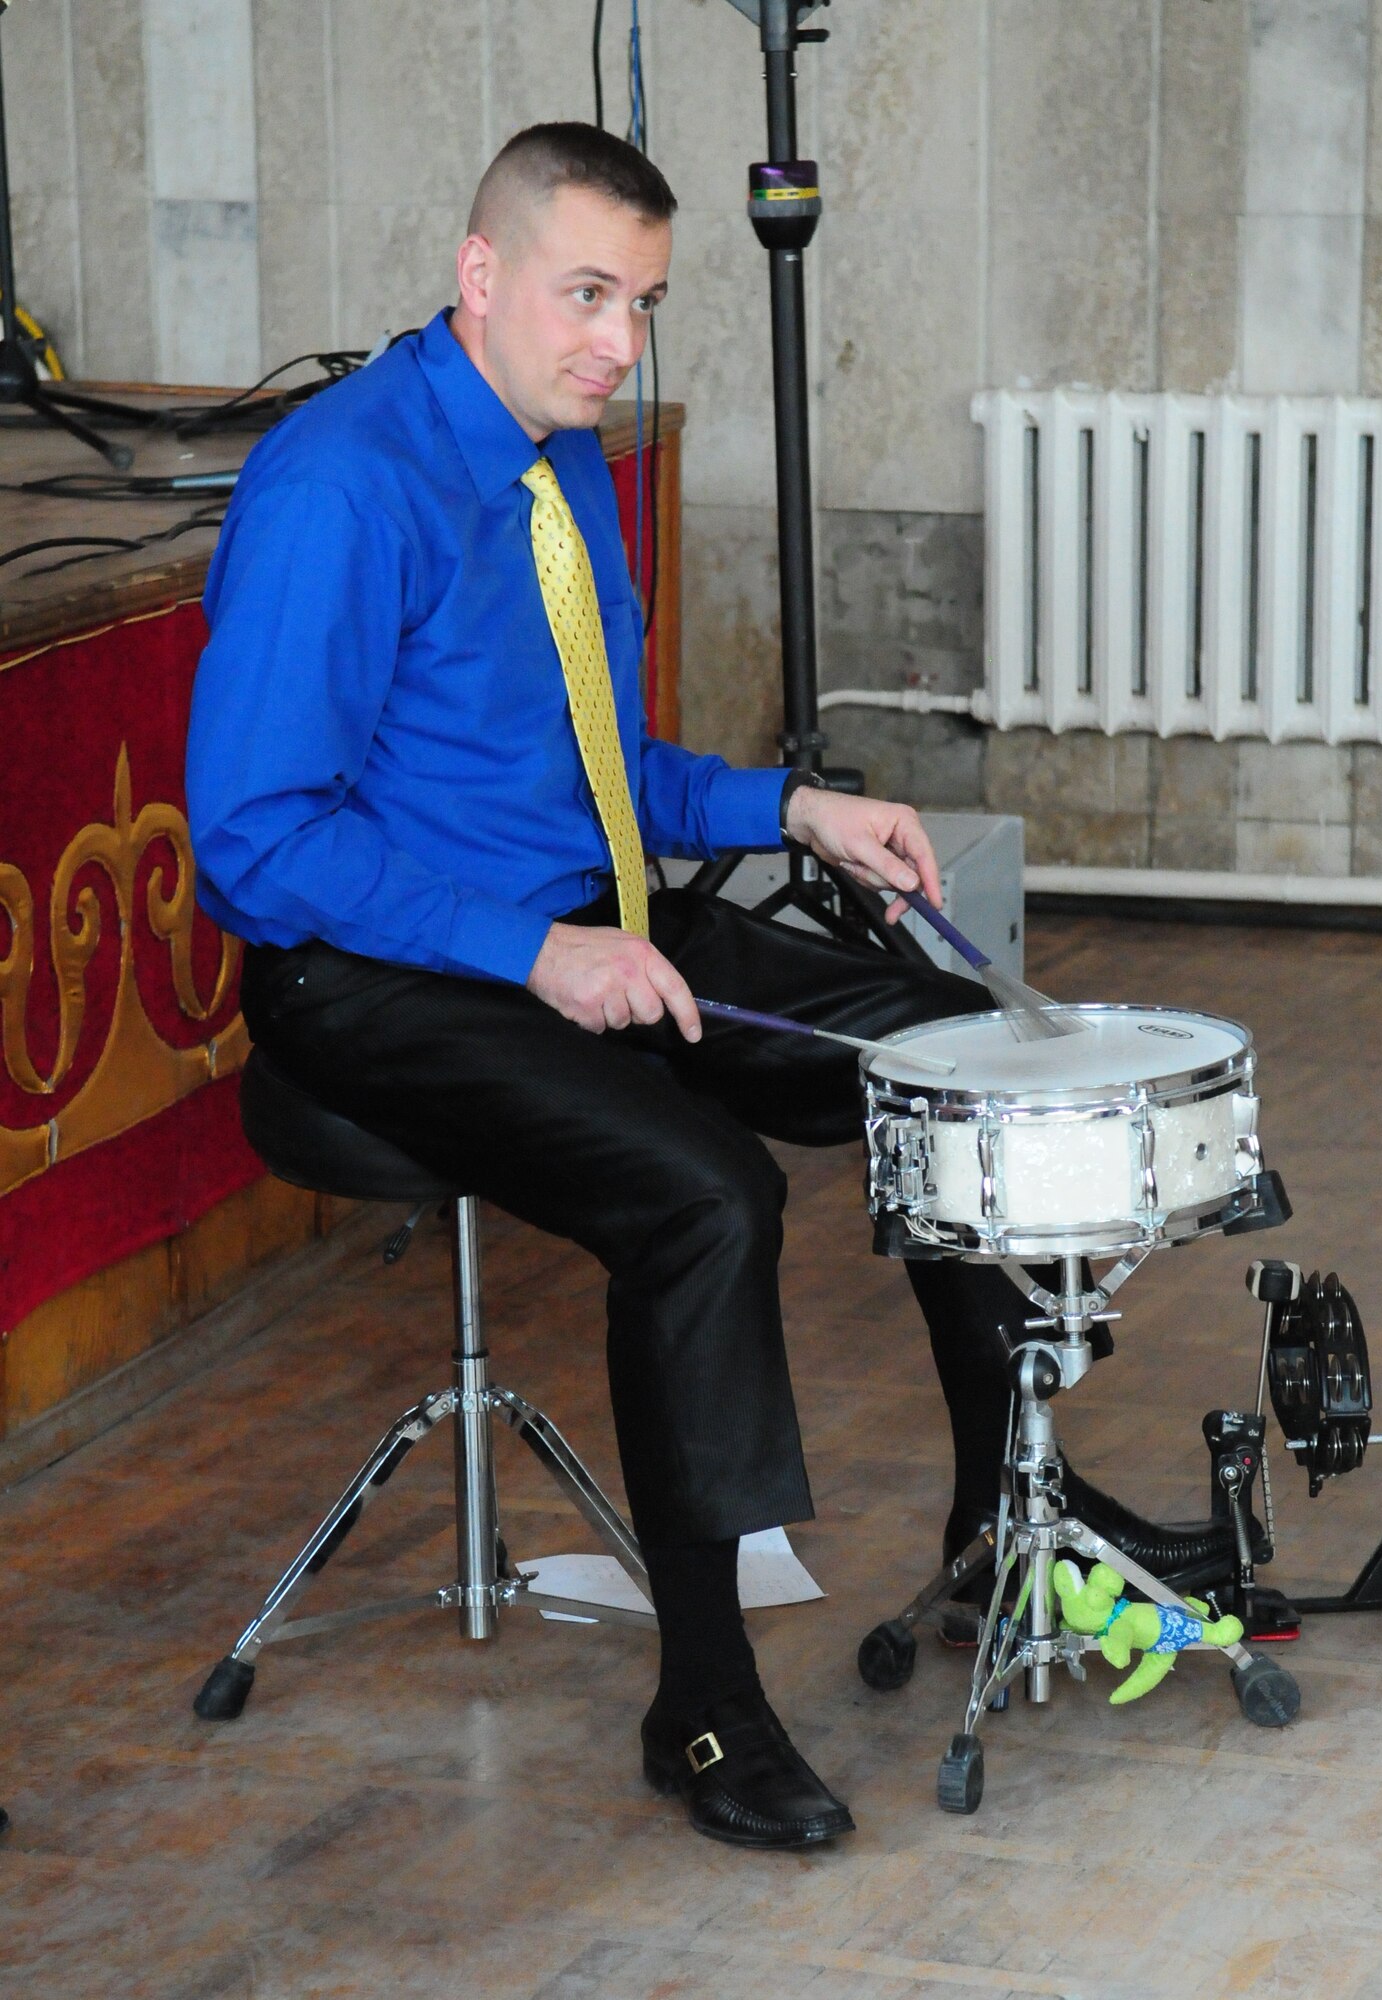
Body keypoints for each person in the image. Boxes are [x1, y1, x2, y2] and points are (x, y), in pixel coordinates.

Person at [187, 122, 1027, 1851]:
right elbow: (256, 840)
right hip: (375, 973)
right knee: (706, 1198)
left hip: (585, 912)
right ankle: (703, 1709)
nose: (618, 344)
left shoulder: (559, 458)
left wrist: (795, 809)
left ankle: (1000, 1533)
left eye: (642, 303)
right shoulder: (341, 486)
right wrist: (536, 953)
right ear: (479, 273)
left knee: (952, 1058)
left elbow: (601, 771)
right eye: (586, 295)